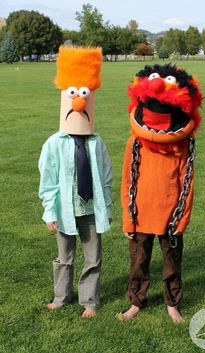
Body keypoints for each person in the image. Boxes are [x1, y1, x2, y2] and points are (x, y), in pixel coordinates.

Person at [118, 63, 203, 322]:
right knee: (139, 261)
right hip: (141, 212)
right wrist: (128, 218)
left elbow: (187, 182)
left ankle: (171, 303)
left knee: (172, 262)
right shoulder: (135, 143)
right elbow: (127, 180)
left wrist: (182, 218)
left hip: (170, 215)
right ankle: (136, 301)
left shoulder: (185, 145)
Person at [38, 46, 112, 318]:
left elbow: (105, 176)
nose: (79, 103)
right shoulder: (54, 143)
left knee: (93, 257)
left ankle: (89, 301)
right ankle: (61, 296)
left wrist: (108, 208)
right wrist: (49, 211)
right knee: (64, 257)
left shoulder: (96, 142)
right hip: (64, 209)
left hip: (91, 210)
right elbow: (48, 180)